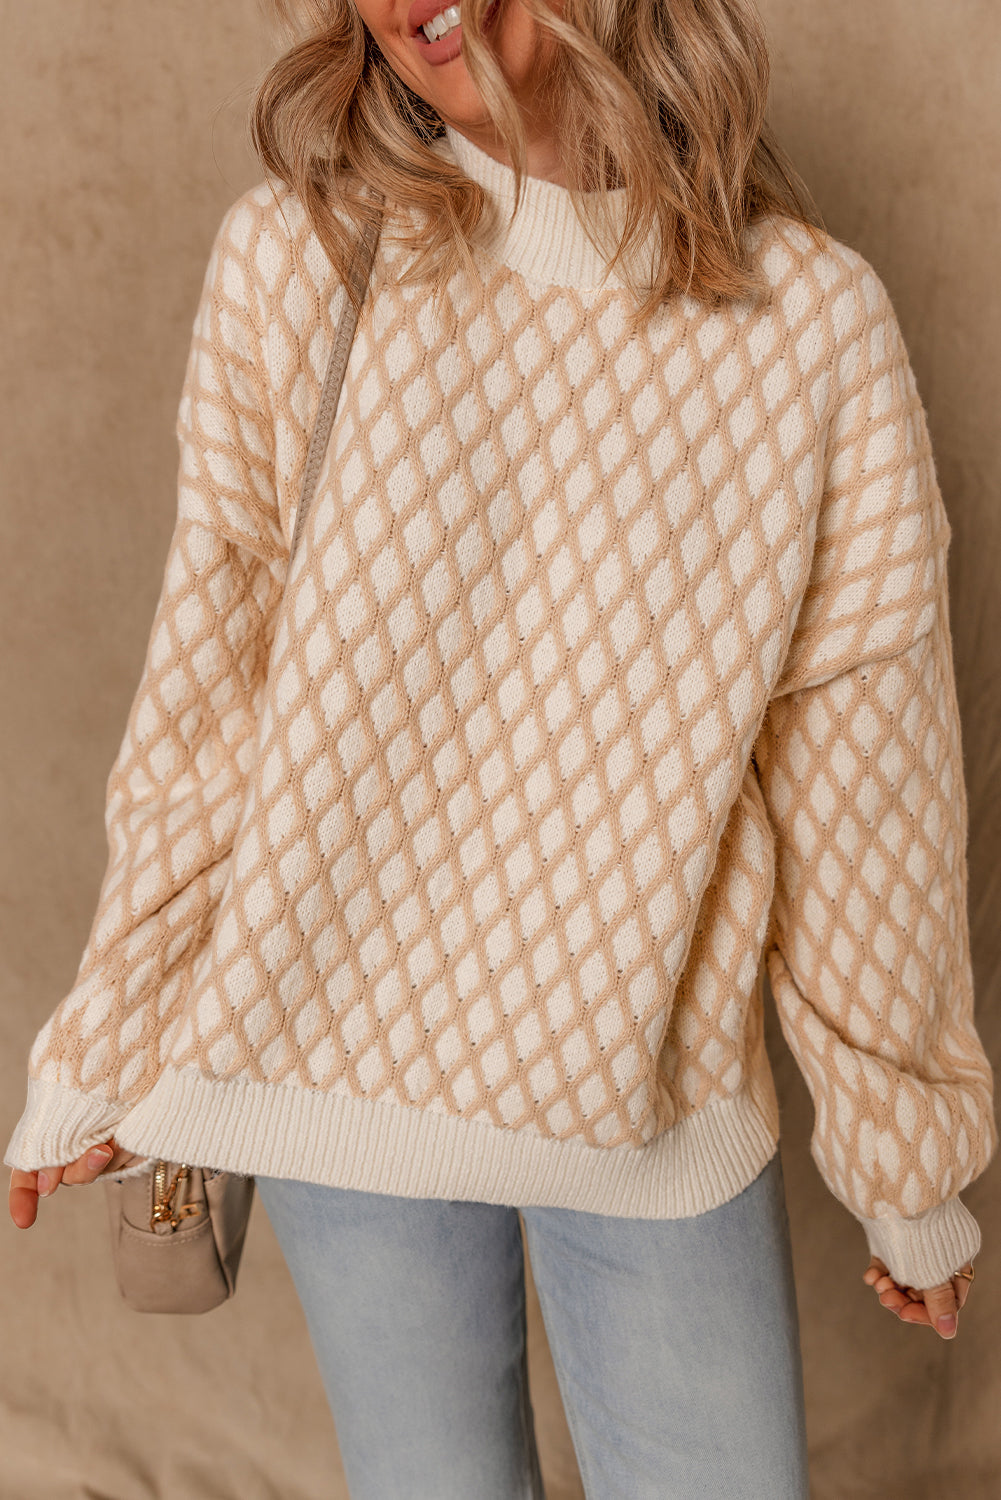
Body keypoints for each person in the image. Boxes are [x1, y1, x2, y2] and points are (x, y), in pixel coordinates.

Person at [6, 0, 995, 1494]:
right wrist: (103, 1042)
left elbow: (868, 795)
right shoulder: (297, 255)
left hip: (647, 1098)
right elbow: (209, 702)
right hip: (330, 1064)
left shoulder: (806, 321)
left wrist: (907, 1168)